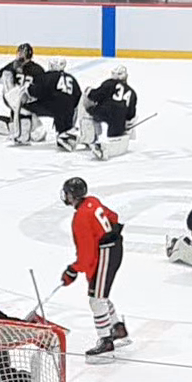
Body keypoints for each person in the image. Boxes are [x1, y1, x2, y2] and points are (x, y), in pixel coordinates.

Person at [60, 175, 129, 362]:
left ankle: (106, 342)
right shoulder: (92, 201)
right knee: (101, 295)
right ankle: (117, 330)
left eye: (67, 193)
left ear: (72, 196)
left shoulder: (80, 217)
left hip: (106, 253)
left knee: (96, 300)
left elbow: (86, 254)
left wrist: (72, 270)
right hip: (113, 248)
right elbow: (113, 217)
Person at [0, 44, 46, 143]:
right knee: (24, 131)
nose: (19, 55)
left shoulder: (36, 70)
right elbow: (0, 77)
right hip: (15, 100)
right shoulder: (15, 66)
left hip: (28, 101)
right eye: (19, 53)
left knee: (36, 133)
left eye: (21, 53)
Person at [79, 66, 138, 158]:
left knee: (86, 108)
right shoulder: (132, 93)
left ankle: (89, 138)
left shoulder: (109, 83)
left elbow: (95, 96)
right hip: (118, 119)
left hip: (103, 111)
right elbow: (131, 115)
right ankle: (117, 138)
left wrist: (89, 91)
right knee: (120, 128)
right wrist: (125, 127)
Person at [27, 58, 82, 149]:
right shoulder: (72, 78)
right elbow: (78, 99)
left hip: (53, 106)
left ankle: (34, 129)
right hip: (69, 110)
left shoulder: (48, 76)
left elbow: (37, 92)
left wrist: (28, 89)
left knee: (25, 108)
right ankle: (67, 133)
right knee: (64, 127)